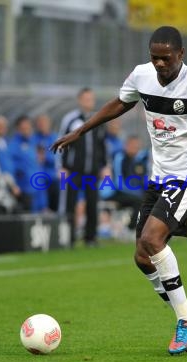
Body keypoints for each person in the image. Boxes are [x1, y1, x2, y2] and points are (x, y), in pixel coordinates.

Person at [51, 26, 187, 355]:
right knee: (142, 255)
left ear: (181, 54)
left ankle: (186, 322)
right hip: (160, 176)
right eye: (155, 58)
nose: (160, 64)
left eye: (166, 58)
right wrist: (80, 130)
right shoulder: (141, 75)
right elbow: (119, 104)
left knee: (152, 239)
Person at [57, 88, 107, 247]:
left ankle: (90, 238)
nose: (88, 102)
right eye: (85, 99)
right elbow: (62, 142)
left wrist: (105, 166)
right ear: (79, 100)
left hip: (92, 171)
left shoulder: (98, 119)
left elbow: (102, 145)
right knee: (70, 204)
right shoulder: (70, 120)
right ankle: (69, 238)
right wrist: (62, 166)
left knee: (92, 204)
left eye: (91, 99)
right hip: (73, 171)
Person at [103, 135, 147, 234]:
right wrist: (137, 193)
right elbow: (119, 182)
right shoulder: (119, 158)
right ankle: (131, 229)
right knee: (139, 201)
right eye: (133, 146)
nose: (135, 149)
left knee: (152, 198)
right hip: (115, 192)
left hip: (132, 193)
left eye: (137, 146)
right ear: (126, 146)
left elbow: (143, 182)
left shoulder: (139, 161)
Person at [9, 115, 42, 212]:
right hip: (25, 189)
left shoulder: (34, 143)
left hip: (38, 188)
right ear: (18, 129)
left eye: (28, 127)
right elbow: (11, 167)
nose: (27, 130)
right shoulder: (13, 145)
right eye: (24, 128)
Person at [33, 114, 59, 212]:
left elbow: (59, 157)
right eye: (40, 123)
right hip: (38, 179)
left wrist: (46, 157)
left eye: (44, 122)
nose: (42, 125)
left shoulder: (56, 138)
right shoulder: (33, 138)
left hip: (54, 178)